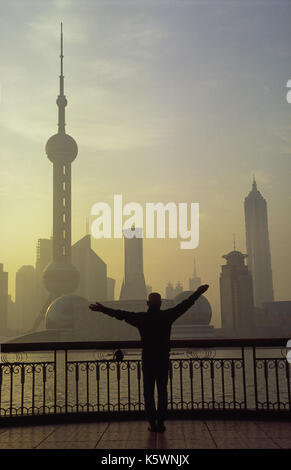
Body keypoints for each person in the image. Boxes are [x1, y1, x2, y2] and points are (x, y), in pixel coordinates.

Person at [89, 284, 209, 432]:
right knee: (163, 392)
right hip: (163, 359)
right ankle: (161, 423)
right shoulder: (167, 316)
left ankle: (152, 423)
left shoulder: (141, 319)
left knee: (148, 393)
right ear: (160, 304)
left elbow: (121, 314)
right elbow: (184, 305)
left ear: (147, 303)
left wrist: (102, 309)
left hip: (148, 360)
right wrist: (198, 292)